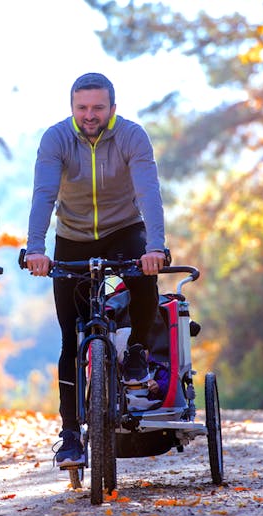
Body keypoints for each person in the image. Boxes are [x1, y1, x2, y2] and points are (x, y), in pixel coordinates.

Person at [23, 73, 167, 467]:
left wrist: (155, 246)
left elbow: (148, 192)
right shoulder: (56, 139)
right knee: (71, 341)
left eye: (98, 108)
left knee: (143, 277)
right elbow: (44, 194)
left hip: (124, 230)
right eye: (82, 108)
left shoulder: (132, 137)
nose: (90, 115)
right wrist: (36, 249)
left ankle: (136, 349)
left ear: (112, 109)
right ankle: (70, 436)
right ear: (72, 108)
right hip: (72, 238)